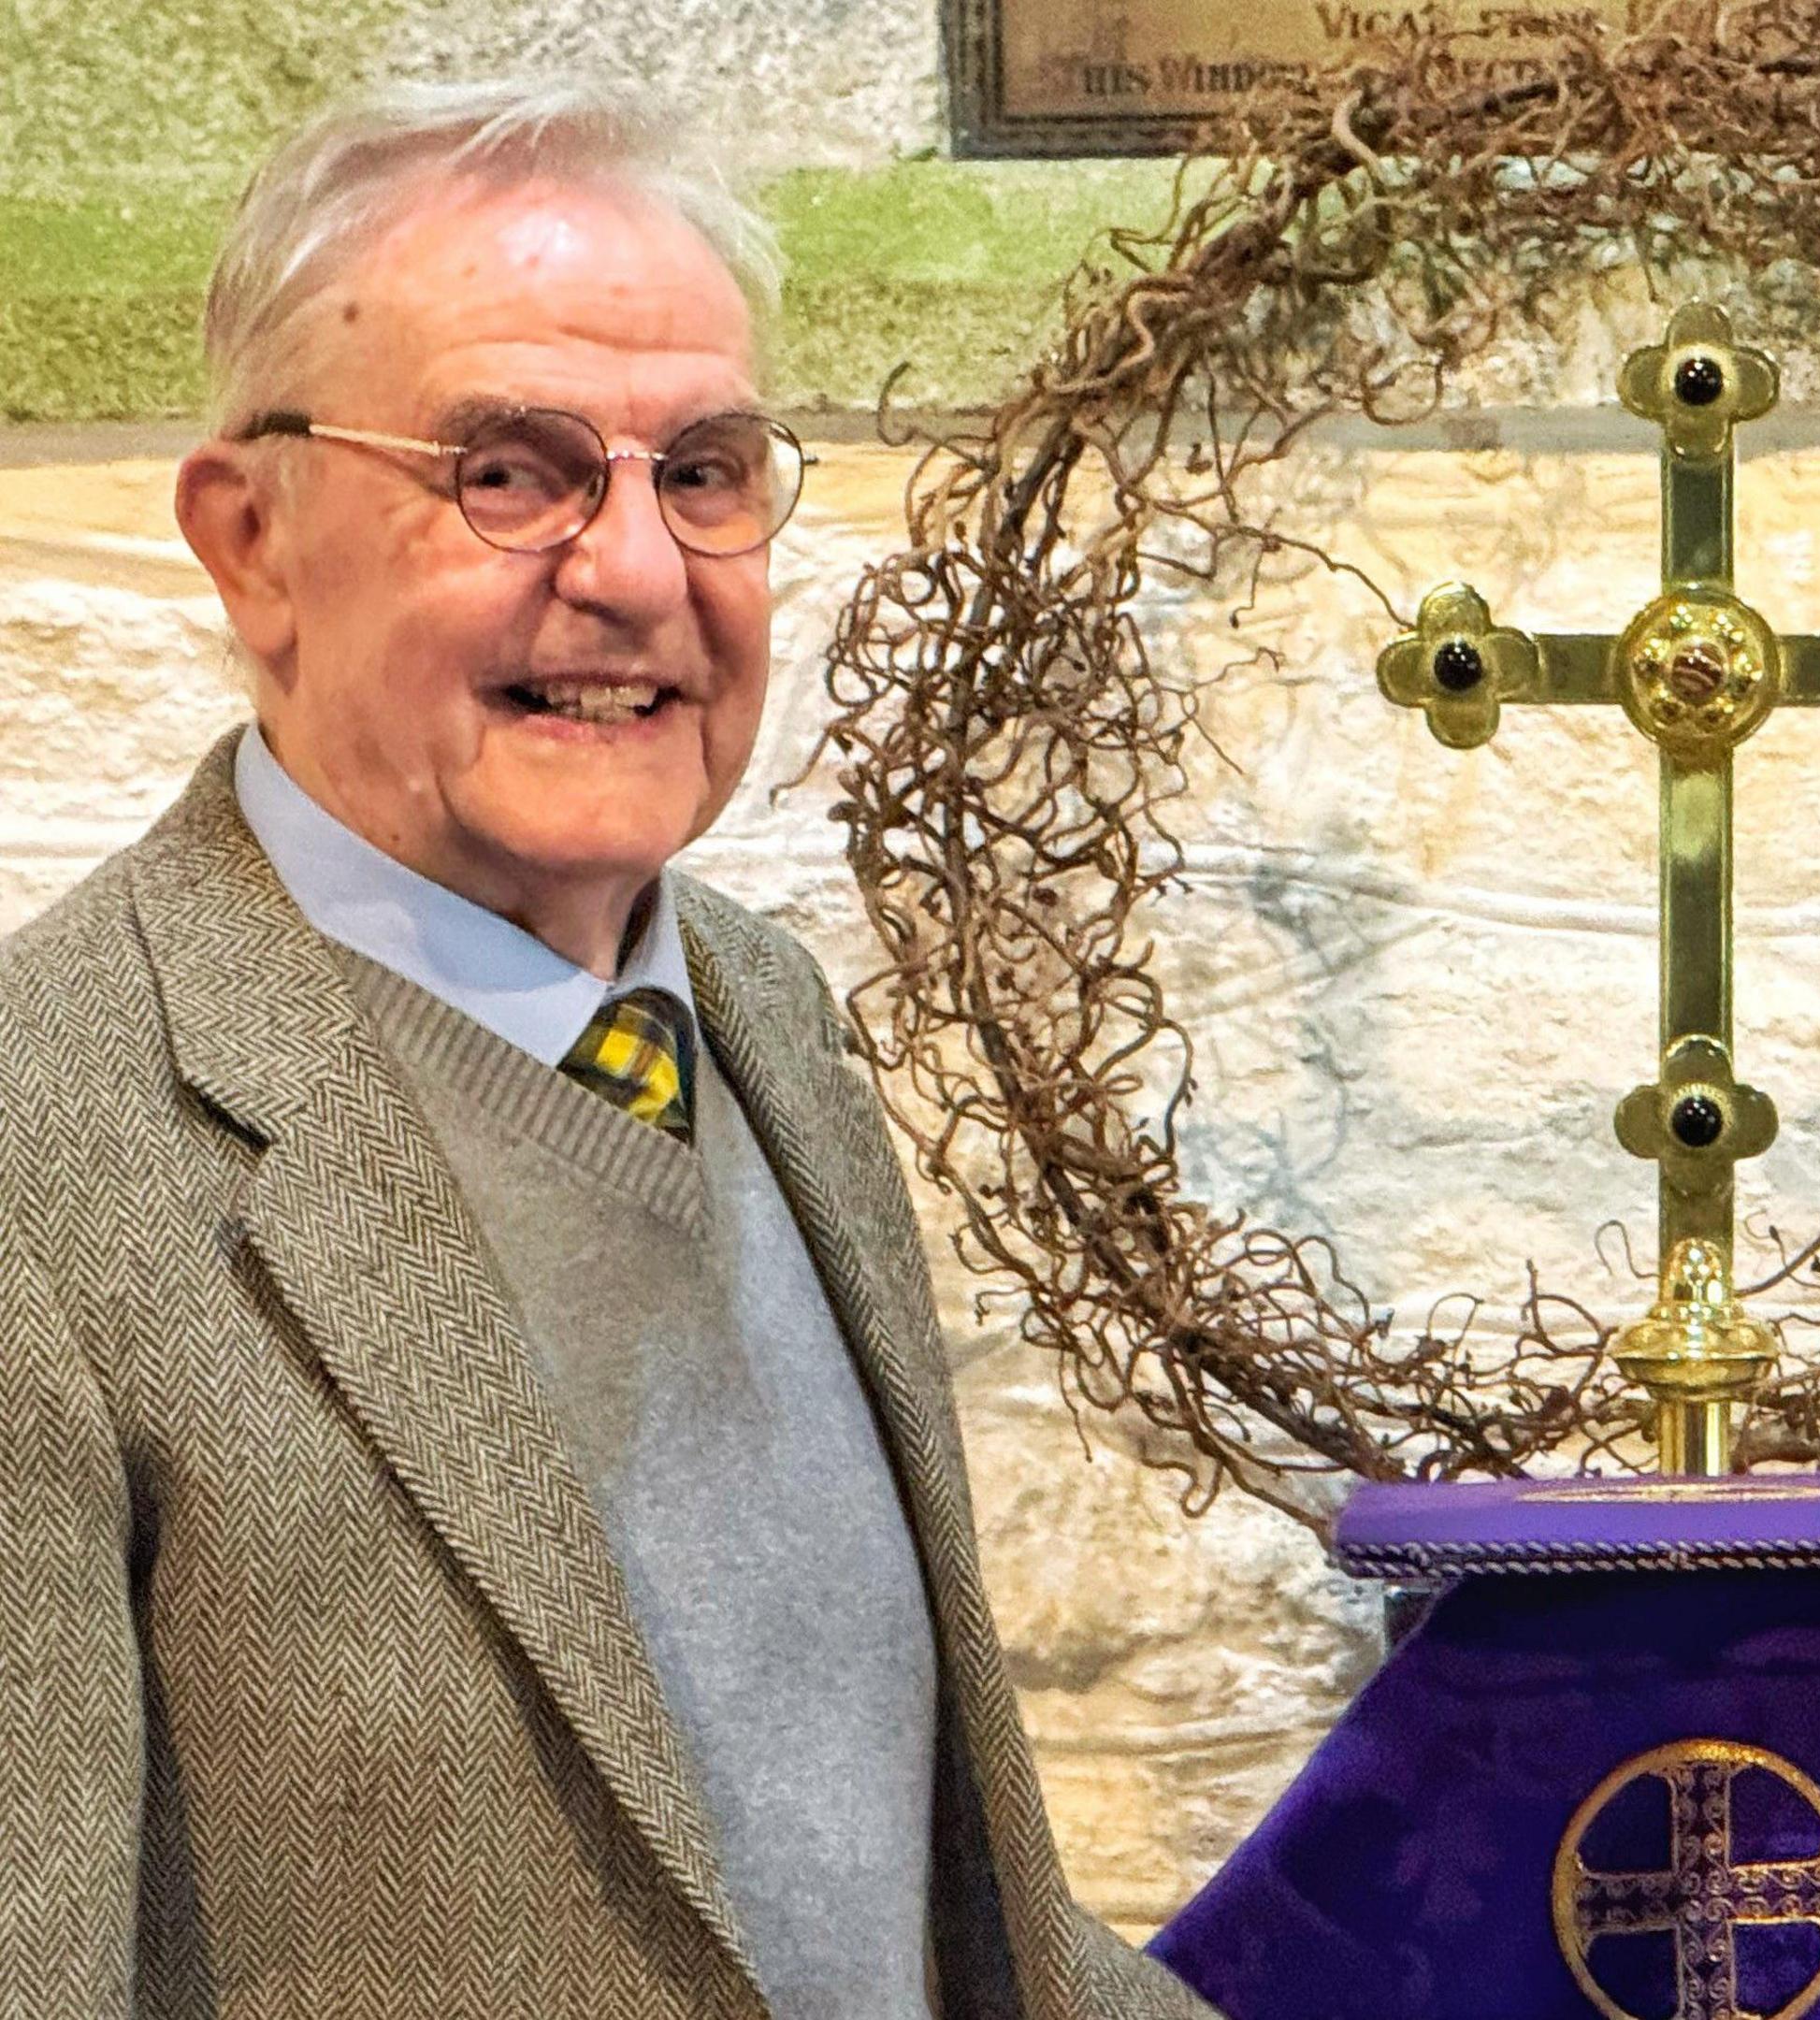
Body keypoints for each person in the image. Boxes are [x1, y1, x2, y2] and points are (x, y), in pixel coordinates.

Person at [0, 79, 1213, 2018]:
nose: (639, 573)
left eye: (705, 472)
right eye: (509, 470)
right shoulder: (42, 1157)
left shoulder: (766, 1024)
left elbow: (915, 1928)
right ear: (253, 544)